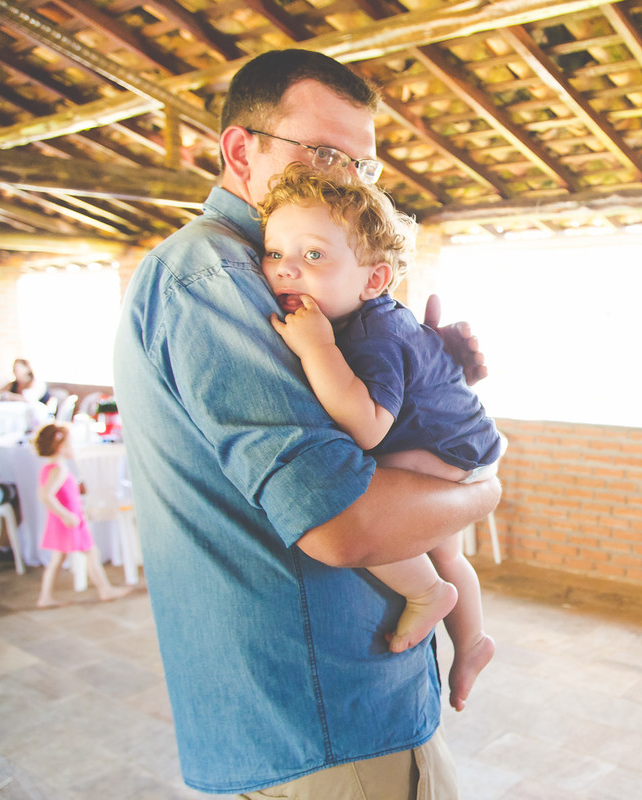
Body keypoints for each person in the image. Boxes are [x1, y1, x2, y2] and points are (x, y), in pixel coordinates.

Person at [113, 49, 500, 798]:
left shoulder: (303, 277)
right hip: (323, 720)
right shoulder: (218, 276)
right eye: (325, 153)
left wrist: (431, 369)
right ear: (239, 150)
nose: (347, 181)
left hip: (346, 706)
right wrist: (485, 489)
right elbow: (343, 523)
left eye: (363, 167)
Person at [259, 163, 499, 712]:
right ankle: (472, 644)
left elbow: (367, 426)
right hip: (464, 442)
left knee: (362, 505)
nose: (286, 270)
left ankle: (426, 593)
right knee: (447, 552)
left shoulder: (371, 335)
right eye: (275, 253)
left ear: (374, 279)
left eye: (313, 255)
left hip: (446, 448)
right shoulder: (371, 319)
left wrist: (316, 348)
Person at [33, 424, 133, 608]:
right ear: (60, 447)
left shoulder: (50, 468)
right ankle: (105, 589)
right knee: (91, 552)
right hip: (69, 521)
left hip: (64, 519)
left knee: (58, 559)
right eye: (71, 444)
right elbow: (45, 496)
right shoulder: (58, 470)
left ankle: (45, 597)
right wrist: (66, 515)